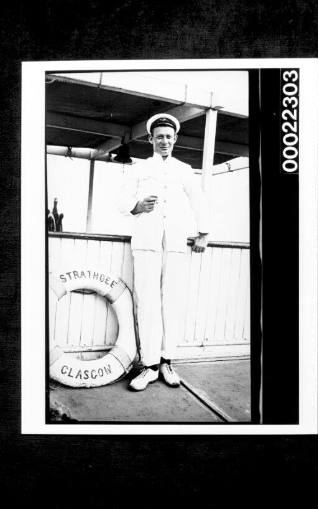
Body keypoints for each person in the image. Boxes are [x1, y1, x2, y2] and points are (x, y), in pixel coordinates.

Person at [119, 113, 210, 391]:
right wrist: (138, 206)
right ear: (151, 139)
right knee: (147, 301)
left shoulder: (184, 169)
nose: (164, 141)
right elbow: (121, 199)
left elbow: (198, 200)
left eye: (169, 137)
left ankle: (167, 361)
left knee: (172, 301)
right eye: (159, 136)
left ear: (175, 139)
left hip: (175, 244)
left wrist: (203, 232)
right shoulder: (138, 168)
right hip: (146, 243)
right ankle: (149, 366)